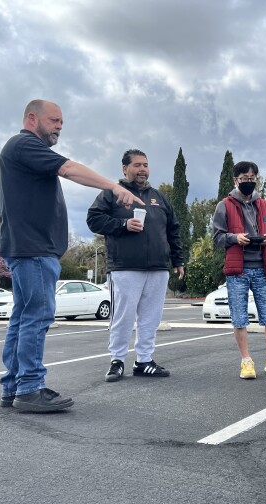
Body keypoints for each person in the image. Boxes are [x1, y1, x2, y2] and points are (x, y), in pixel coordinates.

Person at [0, 99, 143, 412]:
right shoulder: (24, 144)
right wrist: (115, 188)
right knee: (36, 316)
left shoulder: (23, 150)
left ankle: (13, 387)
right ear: (32, 118)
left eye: (61, 122)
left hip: (28, 248)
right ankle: (30, 388)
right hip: (33, 249)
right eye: (54, 121)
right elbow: (69, 168)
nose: (59, 127)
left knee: (23, 318)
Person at [86, 149, 184, 382]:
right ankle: (117, 360)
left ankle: (144, 361)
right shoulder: (111, 194)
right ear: (125, 168)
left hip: (158, 267)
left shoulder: (159, 198)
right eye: (137, 165)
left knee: (151, 318)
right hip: (125, 267)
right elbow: (93, 219)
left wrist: (178, 260)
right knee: (123, 316)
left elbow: (173, 230)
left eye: (146, 165)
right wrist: (123, 224)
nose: (142, 169)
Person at [212, 161, 266, 379]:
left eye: (252, 178)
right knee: (239, 318)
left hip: (262, 268)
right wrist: (235, 238)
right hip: (238, 270)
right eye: (244, 178)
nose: (249, 182)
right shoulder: (224, 206)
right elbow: (217, 237)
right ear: (235, 180)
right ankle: (246, 361)